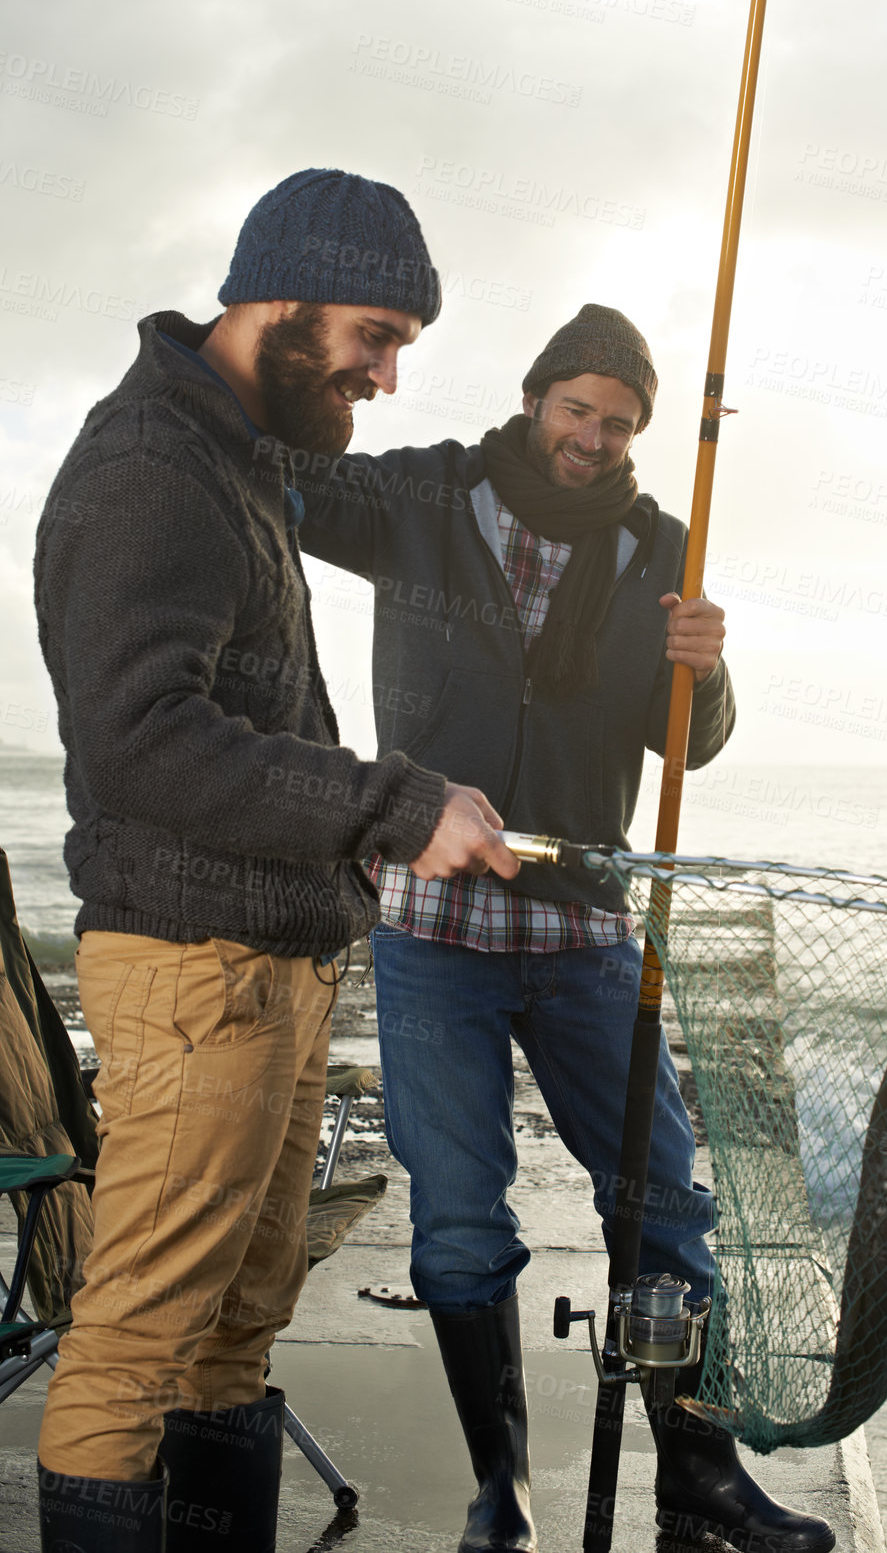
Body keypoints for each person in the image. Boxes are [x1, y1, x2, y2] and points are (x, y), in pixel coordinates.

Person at [32, 168, 517, 1553]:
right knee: (135, 1341)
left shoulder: (242, 458)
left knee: (235, 1327)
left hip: (276, 960)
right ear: (280, 300)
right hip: (194, 966)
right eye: (374, 336)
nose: (383, 375)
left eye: (400, 349)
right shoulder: (147, 468)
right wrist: (393, 802)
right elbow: (142, 741)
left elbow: (248, 701)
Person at [298, 304, 835, 1553]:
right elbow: (286, 485)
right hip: (434, 930)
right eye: (576, 408)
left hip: (588, 931)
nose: (593, 438)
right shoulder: (424, 495)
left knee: (663, 1209)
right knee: (464, 1221)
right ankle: (506, 1492)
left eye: (620, 422)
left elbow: (687, 740)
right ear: (538, 397)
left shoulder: (660, 543)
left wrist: (712, 662)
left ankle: (699, 1483)